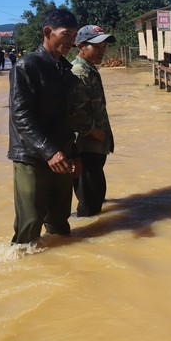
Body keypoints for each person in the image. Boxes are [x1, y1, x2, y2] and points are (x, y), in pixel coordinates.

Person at [8, 8, 81, 244]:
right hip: (31, 155)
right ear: (48, 32)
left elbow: (68, 116)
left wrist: (73, 153)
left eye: (74, 35)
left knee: (60, 222)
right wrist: (50, 151)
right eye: (66, 34)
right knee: (30, 223)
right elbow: (21, 116)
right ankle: (22, 267)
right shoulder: (27, 66)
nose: (71, 40)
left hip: (62, 155)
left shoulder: (65, 70)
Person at [69, 25, 115, 217]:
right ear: (81, 46)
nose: (102, 50)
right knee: (90, 195)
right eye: (96, 46)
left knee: (94, 191)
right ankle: (87, 232)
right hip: (86, 143)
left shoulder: (90, 69)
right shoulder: (79, 71)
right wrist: (94, 131)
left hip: (96, 142)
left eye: (104, 46)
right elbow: (75, 112)